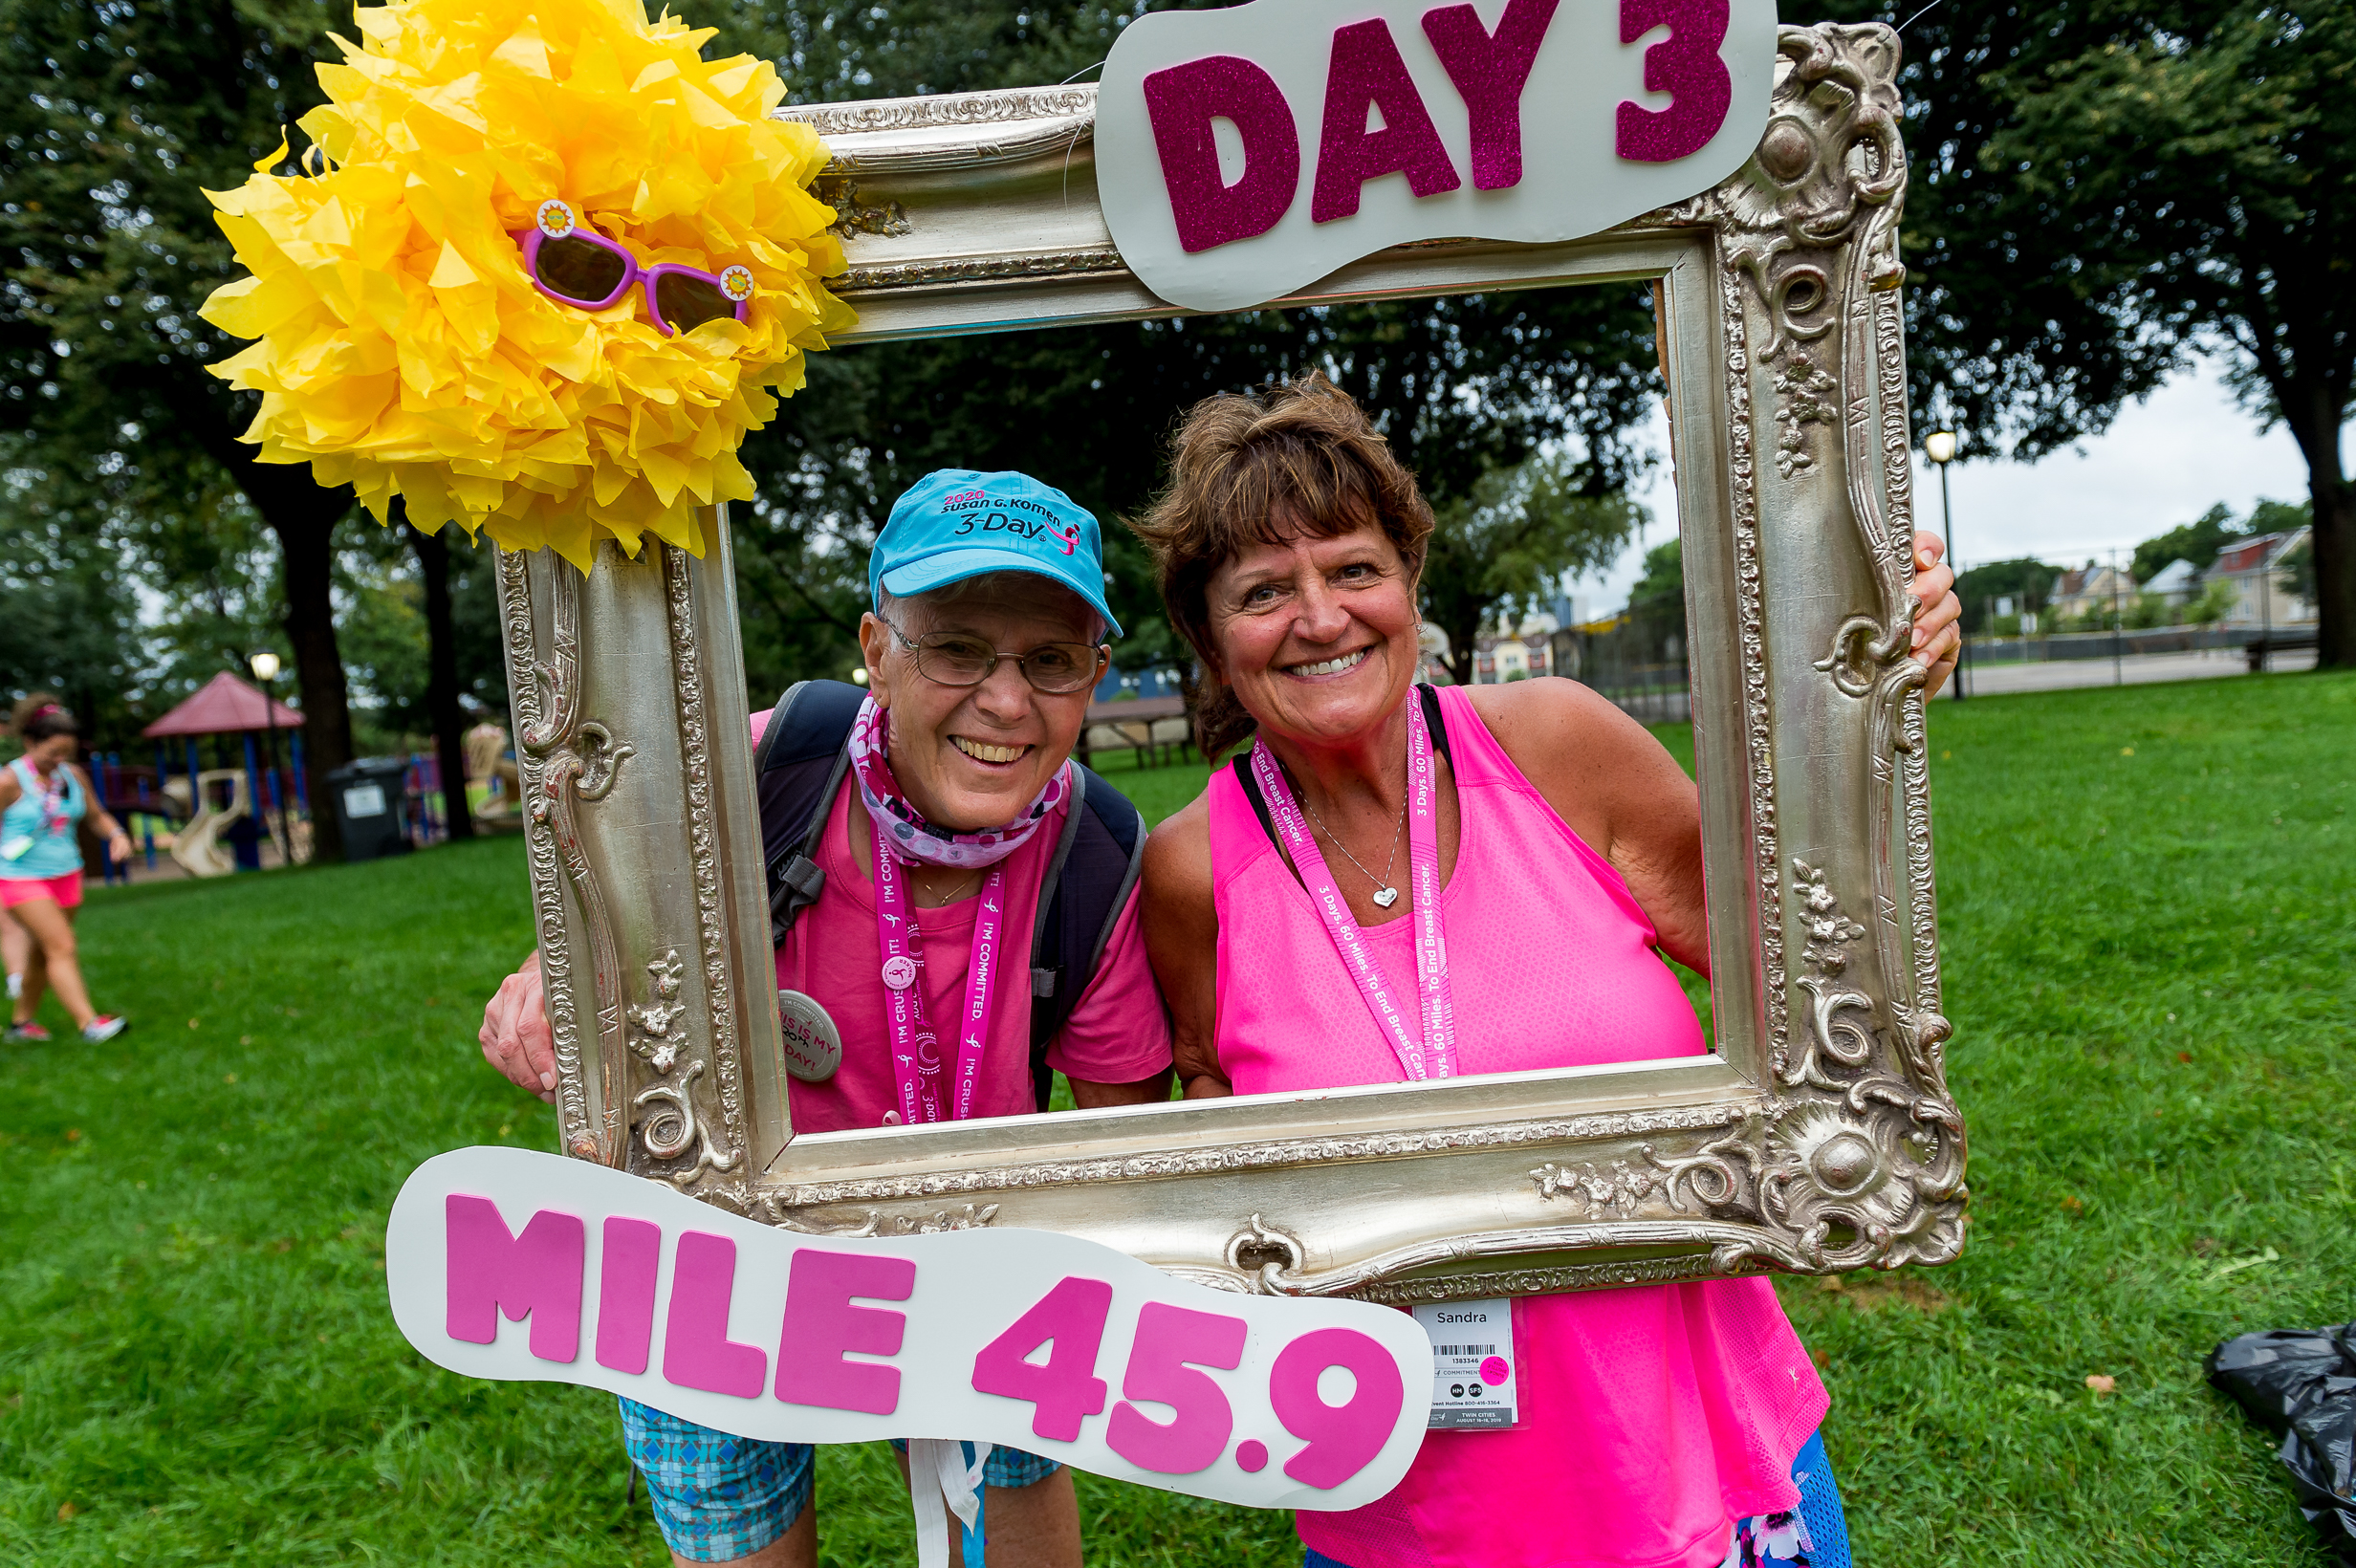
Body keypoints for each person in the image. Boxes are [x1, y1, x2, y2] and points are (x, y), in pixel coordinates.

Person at [1130, 377, 1961, 1568]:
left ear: (1410, 583)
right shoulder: (1190, 870)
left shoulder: (1557, 744)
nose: (1319, 616)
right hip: (1405, 1499)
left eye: (1353, 568)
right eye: (1263, 590)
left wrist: (1857, 710)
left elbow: (1805, 944)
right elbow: (1207, 1115)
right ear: (1211, 639)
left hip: (1700, 1451)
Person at [479, 469, 1175, 1568]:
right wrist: (548, 981)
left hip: (979, 1261)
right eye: (955, 649)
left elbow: (1122, 1161)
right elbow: (611, 915)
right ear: (875, 648)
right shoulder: (749, 765)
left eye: (1050, 659)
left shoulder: (1096, 853)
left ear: (1093, 674)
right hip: (713, 1257)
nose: (1005, 701)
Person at [1, 696, 131, 1043]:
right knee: (61, 945)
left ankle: (21, 1024)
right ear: (30, 742)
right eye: (52, 753)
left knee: (42, 952)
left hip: (67, 873)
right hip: (21, 877)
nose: (59, 760)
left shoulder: (72, 776)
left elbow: (97, 816)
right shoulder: (9, 781)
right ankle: (89, 1024)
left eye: (66, 753)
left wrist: (117, 834)